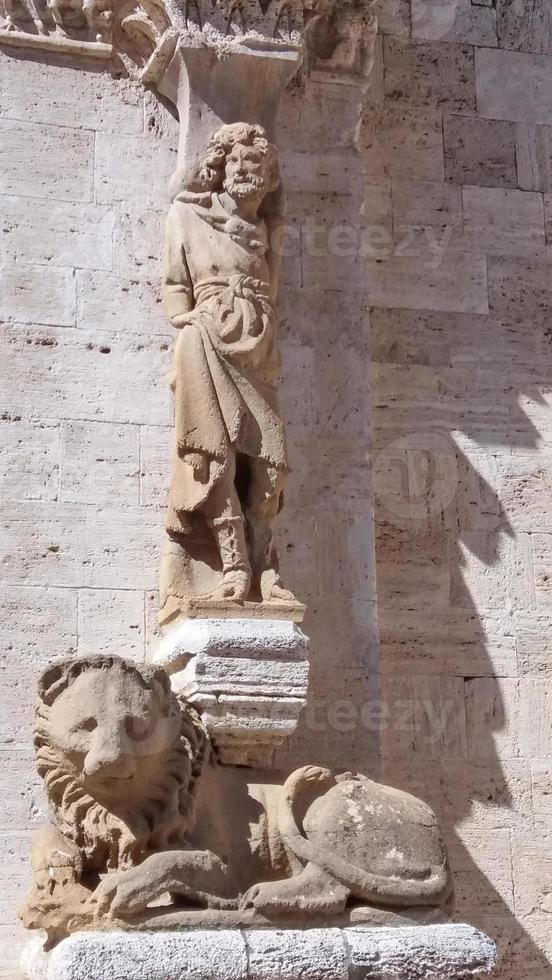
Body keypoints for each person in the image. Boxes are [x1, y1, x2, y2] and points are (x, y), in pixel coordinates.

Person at [162, 122, 294, 604]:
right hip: (205, 340)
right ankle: (237, 566)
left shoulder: (270, 227)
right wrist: (187, 319)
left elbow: (272, 290)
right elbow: (175, 283)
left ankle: (266, 565)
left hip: (258, 345)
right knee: (214, 455)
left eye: (253, 162)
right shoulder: (189, 214)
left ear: (270, 176)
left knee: (270, 466)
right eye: (234, 161)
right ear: (219, 168)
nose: (242, 169)